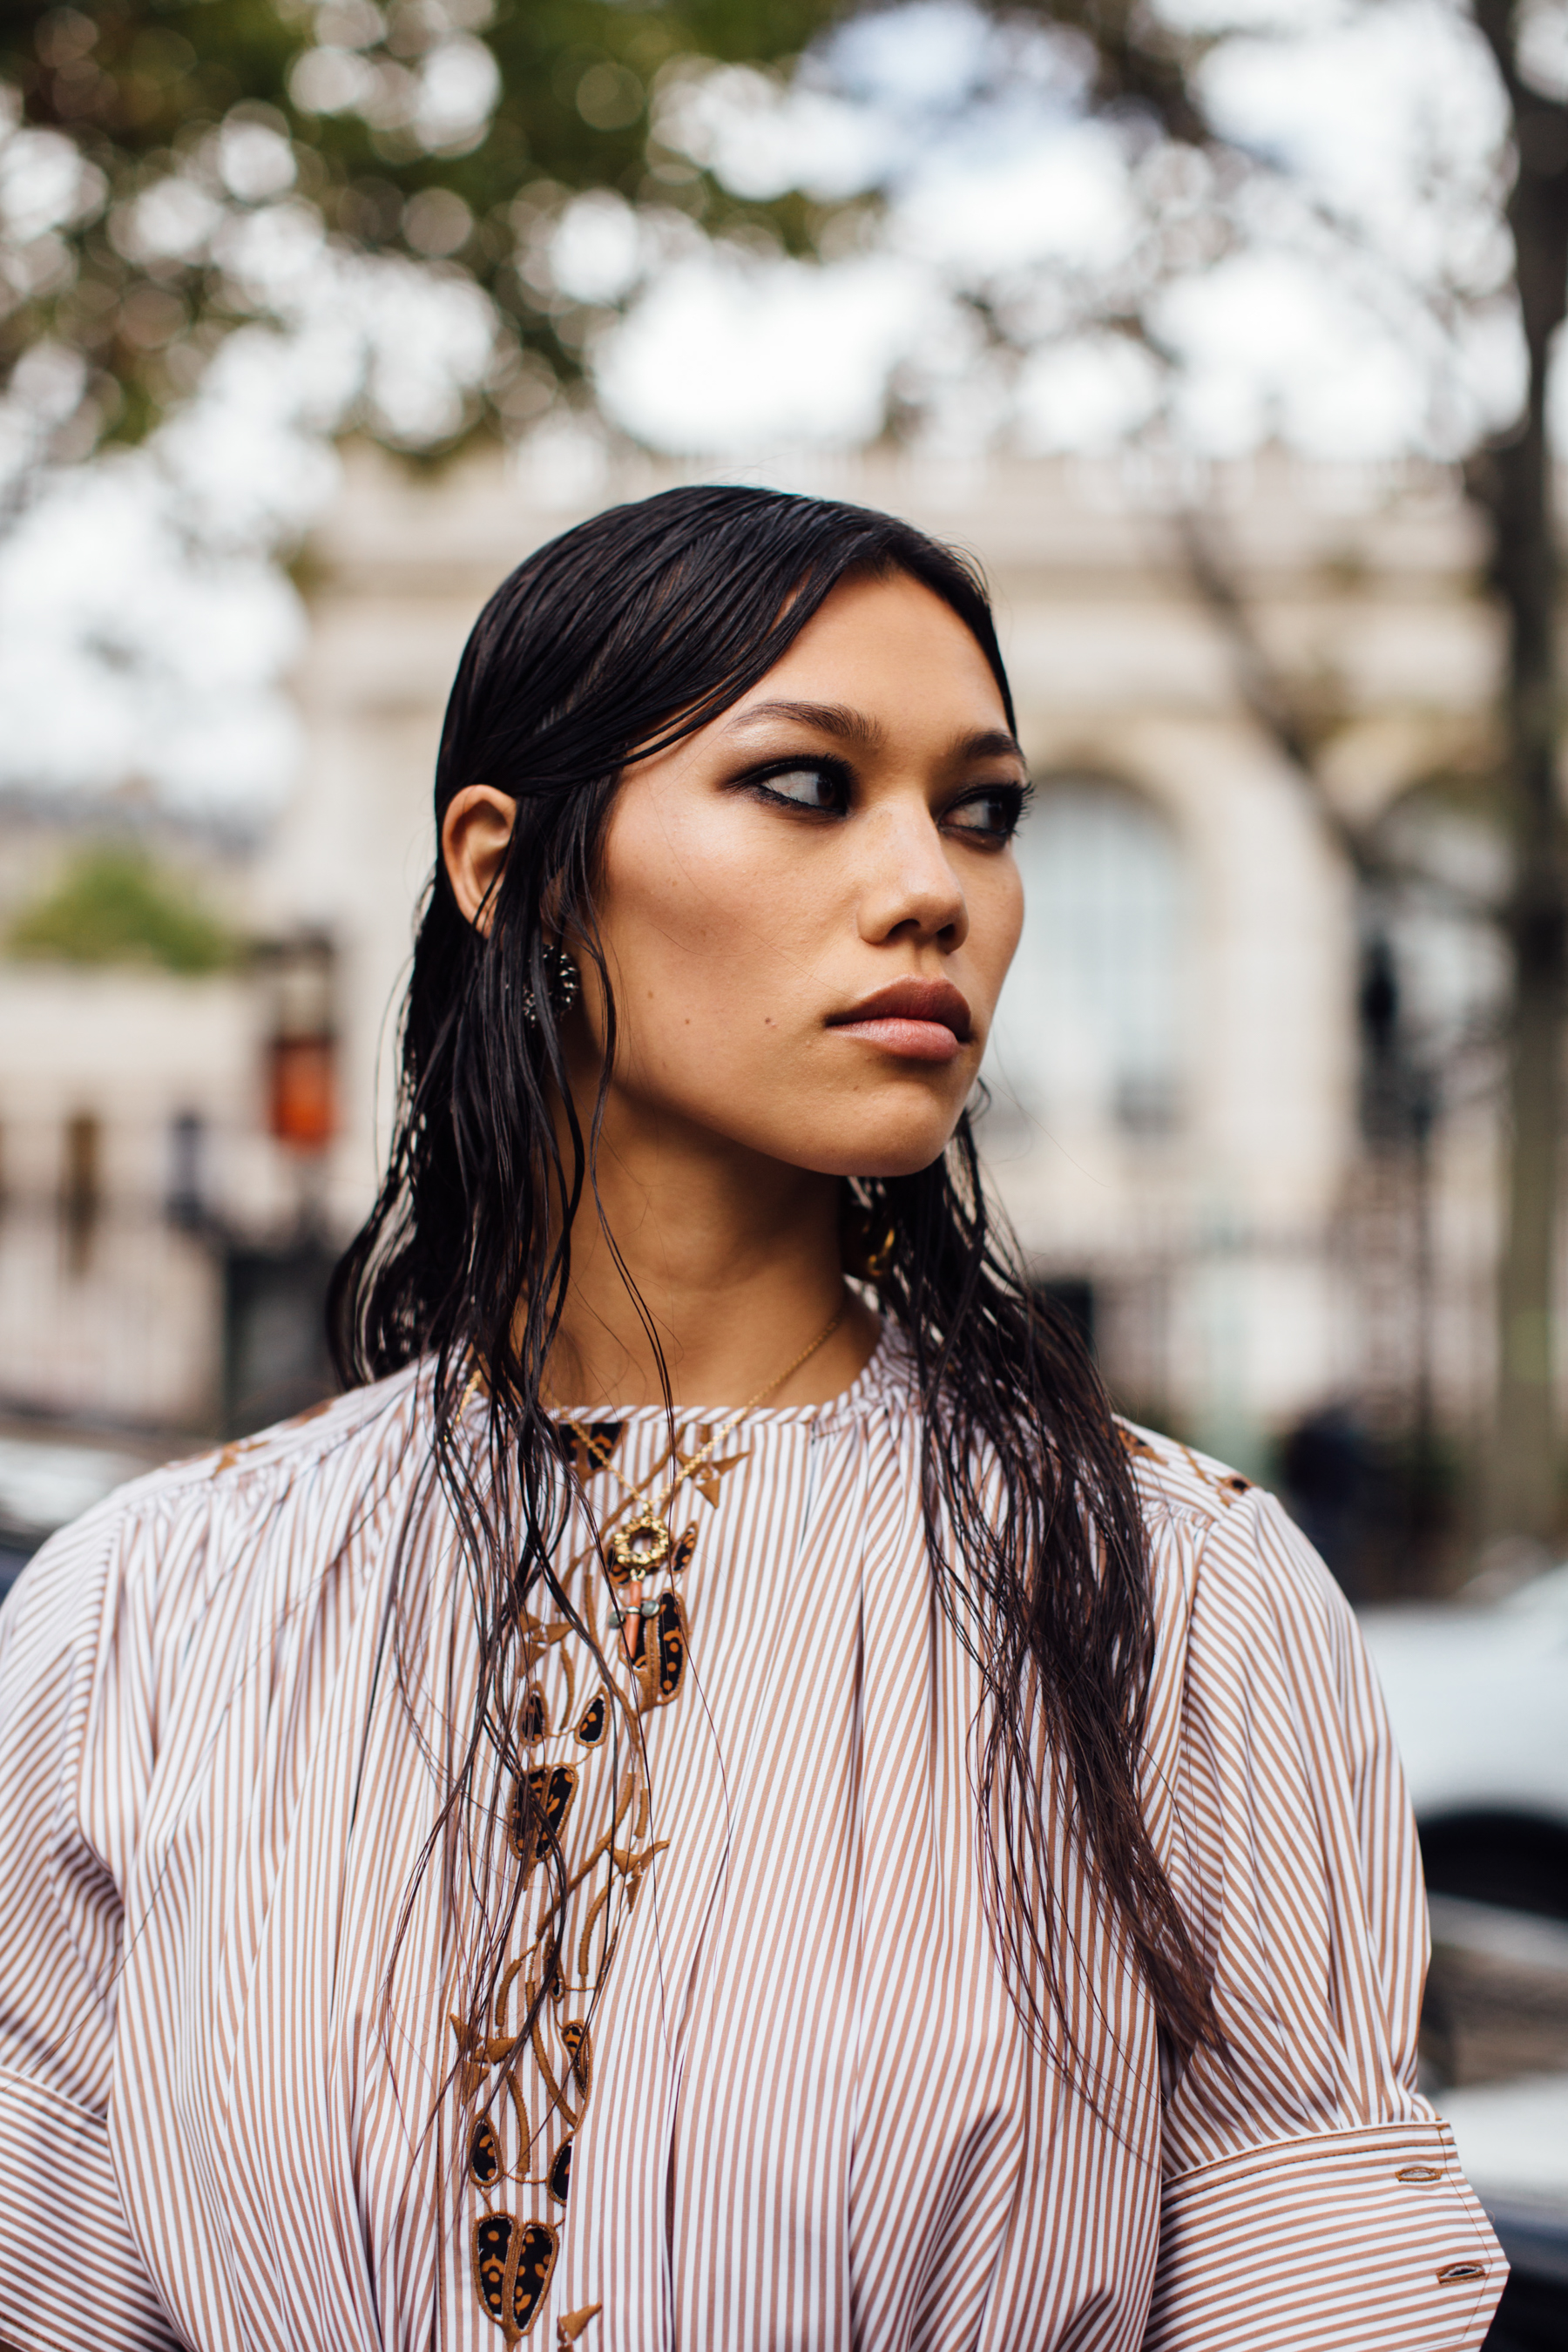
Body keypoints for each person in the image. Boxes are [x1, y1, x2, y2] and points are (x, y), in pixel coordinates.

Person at [0, 487, 1503, 2352]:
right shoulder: (147, 1613)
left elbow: (1322, 2274)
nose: (932, 884)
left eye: (988, 811)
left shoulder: (1173, 1598)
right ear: (510, 863)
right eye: (808, 785)